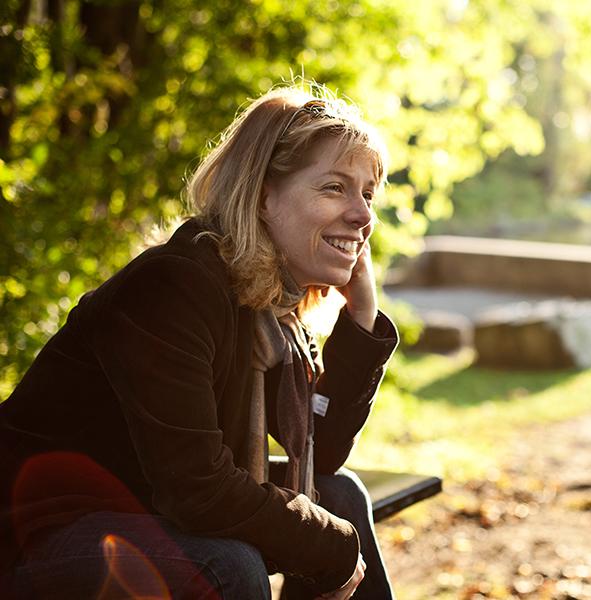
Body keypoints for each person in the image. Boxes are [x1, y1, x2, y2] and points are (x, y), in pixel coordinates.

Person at [0, 83, 399, 599]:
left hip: (140, 509)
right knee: (225, 563)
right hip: (37, 536)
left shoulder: (265, 307)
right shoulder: (175, 286)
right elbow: (198, 490)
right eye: (335, 188)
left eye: (367, 193)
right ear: (261, 195)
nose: (363, 215)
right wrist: (332, 549)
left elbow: (320, 454)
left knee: (338, 496)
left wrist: (361, 316)